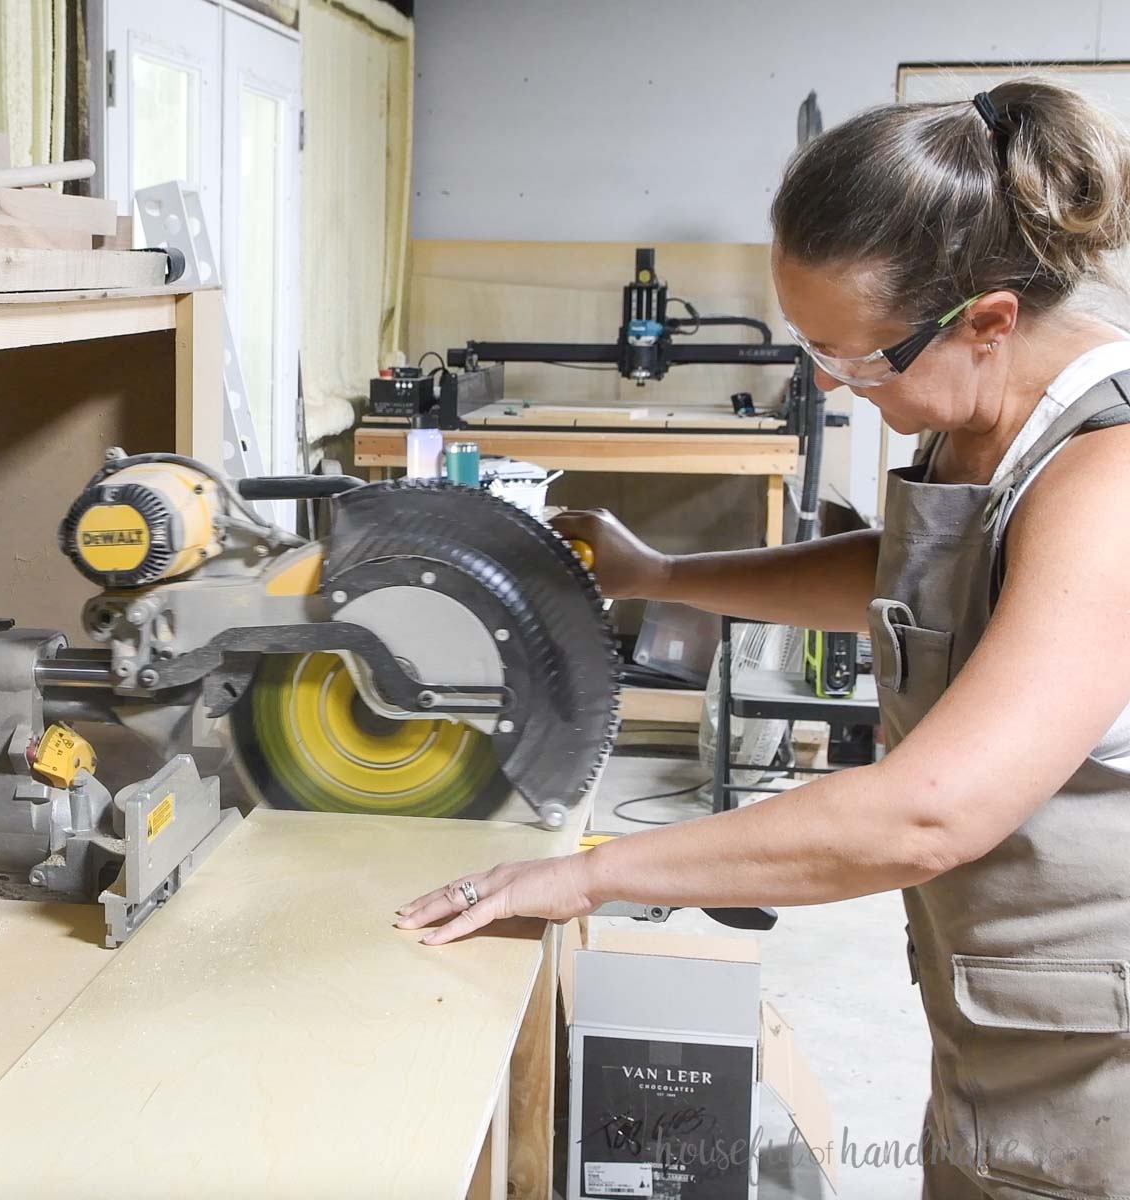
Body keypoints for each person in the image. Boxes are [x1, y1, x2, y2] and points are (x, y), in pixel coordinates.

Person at [397, 79, 1130, 1199]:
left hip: (1098, 1040)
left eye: (856, 360)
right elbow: (917, 578)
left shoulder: (1108, 476)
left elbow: (931, 809)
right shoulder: (987, 413)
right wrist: (662, 574)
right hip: (1011, 996)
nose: (838, 385)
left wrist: (594, 875)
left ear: (985, 319)